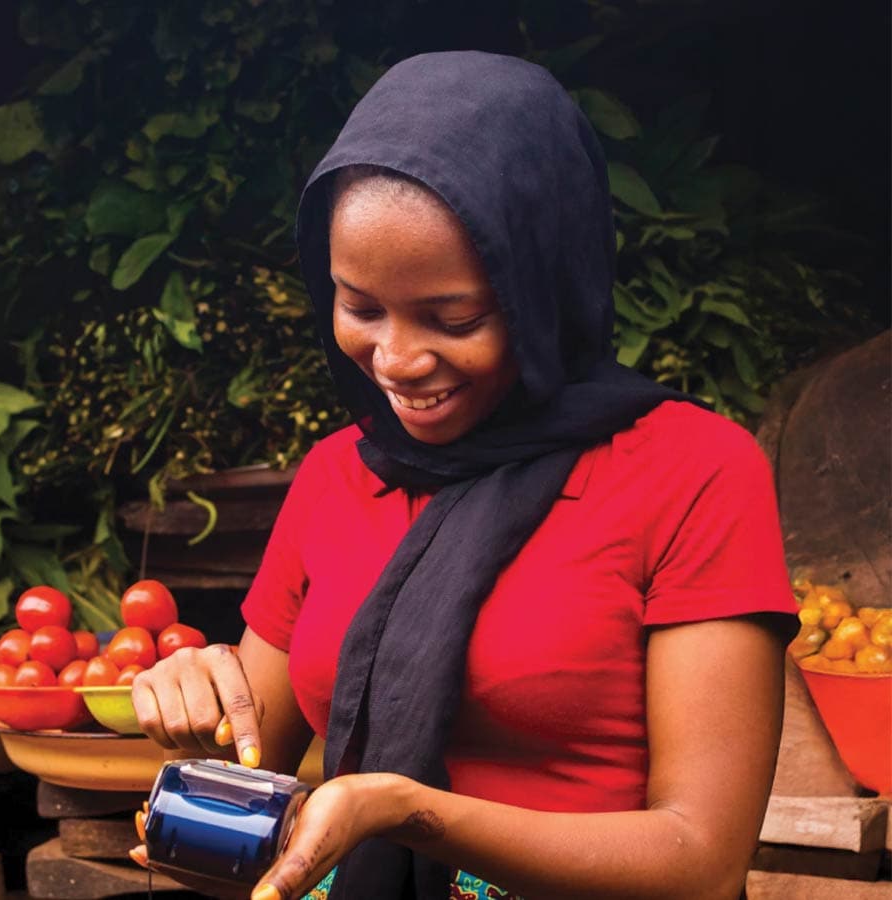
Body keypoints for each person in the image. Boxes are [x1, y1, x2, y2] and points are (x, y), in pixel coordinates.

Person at [127, 51, 794, 900]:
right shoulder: (339, 475)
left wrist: (411, 813)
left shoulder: (692, 474)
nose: (398, 360)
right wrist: (191, 709)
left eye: (454, 318)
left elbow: (700, 860)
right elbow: (241, 778)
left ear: (543, 291)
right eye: (360, 308)